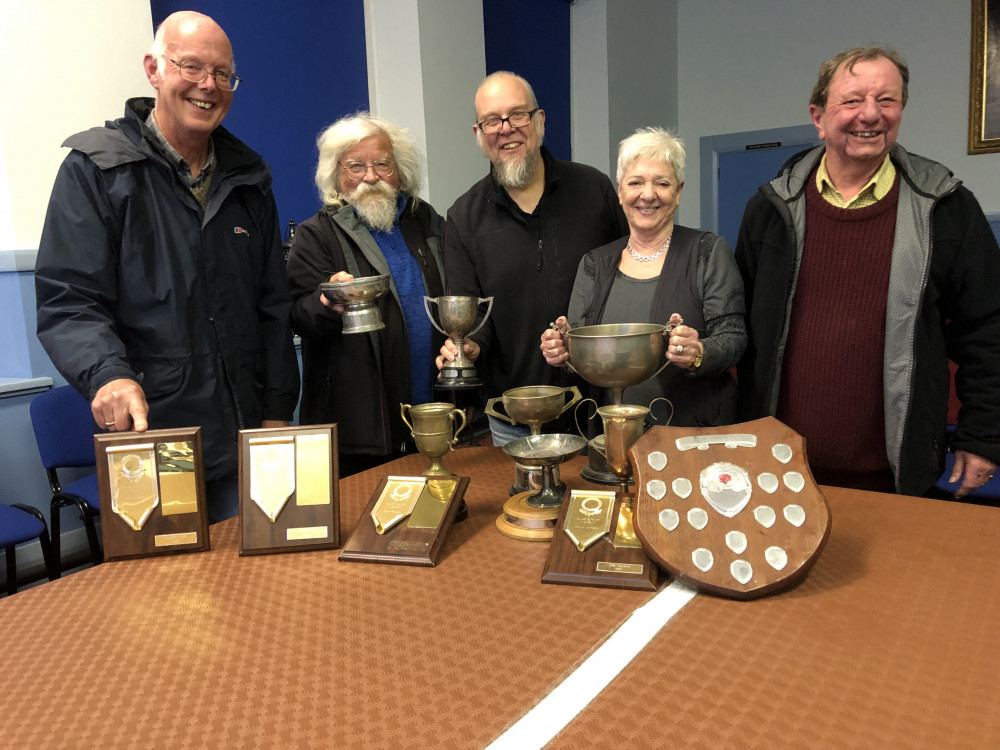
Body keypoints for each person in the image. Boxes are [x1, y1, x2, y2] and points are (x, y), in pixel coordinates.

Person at [34, 11, 300, 521]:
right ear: (154, 69)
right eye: (192, 67)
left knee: (268, 592)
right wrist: (107, 375)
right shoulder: (97, 170)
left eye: (223, 74)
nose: (208, 85)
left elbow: (273, 306)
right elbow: (69, 300)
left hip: (248, 437)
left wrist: (276, 410)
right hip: (155, 441)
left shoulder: (249, 180)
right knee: (172, 598)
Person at [735, 46, 1000, 499]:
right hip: (777, 471)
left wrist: (982, 437)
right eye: (853, 100)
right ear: (818, 117)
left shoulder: (948, 209)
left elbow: (988, 331)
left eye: (887, 100)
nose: (870, 114)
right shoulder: (769, 209)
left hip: (893, 477)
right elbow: (740, 331)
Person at [440, 71, 629, 445]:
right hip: (515, 420)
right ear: (479, 135)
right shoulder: (462, 218)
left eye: (518, 115)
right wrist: (472, 343)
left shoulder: (595, 190)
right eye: (492, 120)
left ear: (540, 121)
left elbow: (629, 276)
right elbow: (472, 311)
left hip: (602, 408)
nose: (506, 128)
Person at [540, 128, 746, 426]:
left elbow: (734, 339)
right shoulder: (594, 264)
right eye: (636, 182)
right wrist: (563, 351)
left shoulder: (708, 252)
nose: (648, 195)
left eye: (662, 183)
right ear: (621, 191)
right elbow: (580, 358)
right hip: (610, 434)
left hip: (691, 434)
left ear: (678, 192)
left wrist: (698, 352)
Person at [286, 114, 445, 476]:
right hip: (363, 425)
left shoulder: (429, 221)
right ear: (336, 174)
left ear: (399, 170)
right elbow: (298, 315)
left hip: (434, 405)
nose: (370, 177)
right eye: (356, 166)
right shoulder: (316, 235)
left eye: (382, 164)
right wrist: (327, 304)